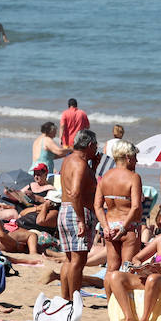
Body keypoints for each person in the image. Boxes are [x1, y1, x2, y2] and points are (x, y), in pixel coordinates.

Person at [58, 129, 99, 303]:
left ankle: (66, 298)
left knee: (70, 259)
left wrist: (94, 168)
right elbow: (75, 193)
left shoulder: (69, 160)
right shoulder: (80, 163)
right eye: (95, 146)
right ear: (89, 145)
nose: (97, 149)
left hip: (65, 210)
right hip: (76, 212)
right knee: (78, 260)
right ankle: (74, 298)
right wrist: (82, 219)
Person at [95, 139, 144, 276]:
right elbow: (135, 207)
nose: (137, 161)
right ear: (128, 157)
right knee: (127, 270)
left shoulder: (105, 177)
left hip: (110, 226)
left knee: (111, 269)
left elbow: (97, 206)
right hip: (128, 227)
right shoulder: (134, 177)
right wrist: (123, 228)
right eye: (135, 157)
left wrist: (105, 227)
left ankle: (109, 297)